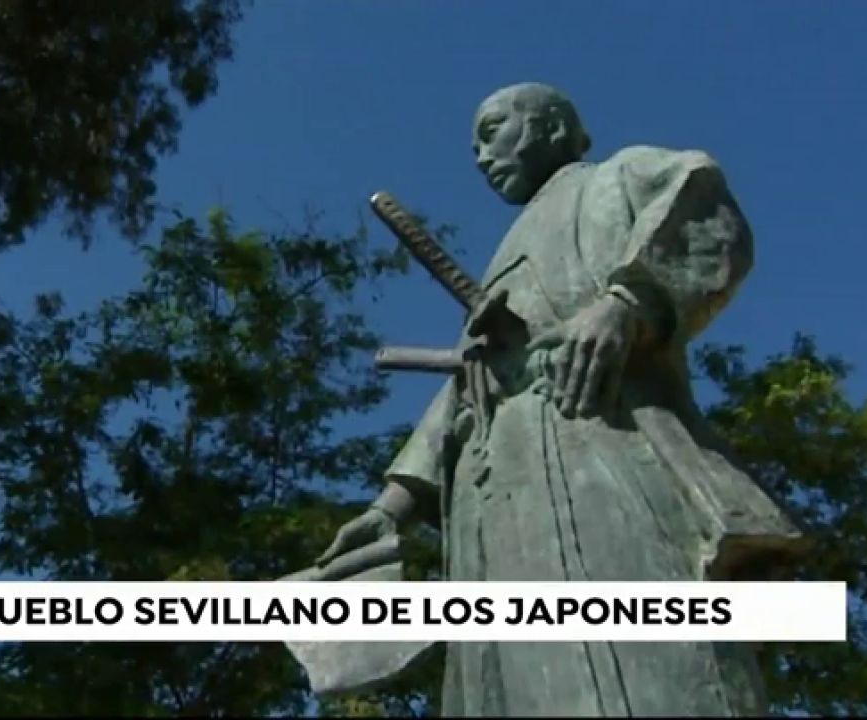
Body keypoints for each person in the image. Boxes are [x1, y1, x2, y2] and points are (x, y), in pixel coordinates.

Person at [314, 82, 807, 716]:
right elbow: (466, 386)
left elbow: (702, 200)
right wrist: (391, 508)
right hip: (491, 491)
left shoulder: (617, 178)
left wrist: (625, 304)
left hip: (599, 438)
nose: (478, 155)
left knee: (649, 657)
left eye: (492, 130)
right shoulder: (502, 261)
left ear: (550, 126)